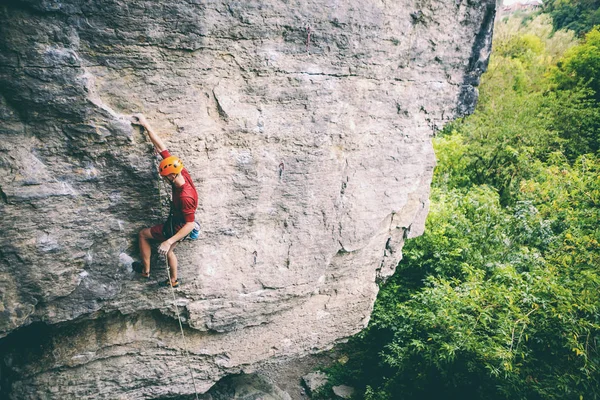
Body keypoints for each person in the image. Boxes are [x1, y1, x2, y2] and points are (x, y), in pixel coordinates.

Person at [130, 113, 198, 287]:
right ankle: (173, 280)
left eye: (165, 178)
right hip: (178, 221)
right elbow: (161, 147)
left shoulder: (185, 196)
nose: (163, 180)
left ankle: (145, 271)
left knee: (144, 235)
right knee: (170, 252)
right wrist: (146, 125)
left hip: (177, 226)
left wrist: (168, 240)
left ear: (172, 176)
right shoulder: (180, 171)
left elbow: (190, 224)